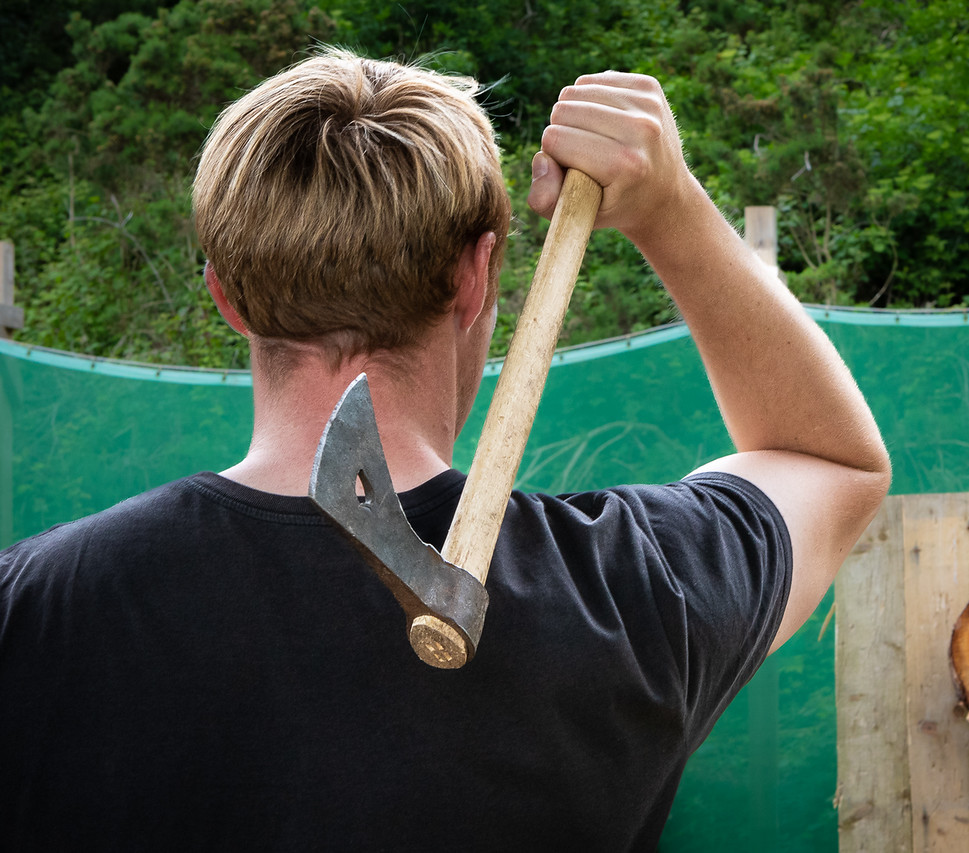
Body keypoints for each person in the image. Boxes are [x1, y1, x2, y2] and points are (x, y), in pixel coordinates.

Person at [0, 50, 890, 850]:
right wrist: (672, 211)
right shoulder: (629, 591)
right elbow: (831, 461)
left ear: (227, 299)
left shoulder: (31, 609)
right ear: (476, 276)